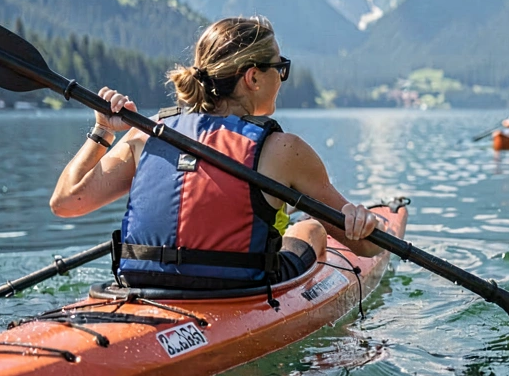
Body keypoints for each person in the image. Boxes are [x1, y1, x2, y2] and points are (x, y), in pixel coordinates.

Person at [50, 16, 384, 292]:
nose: (282, 78)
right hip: (236, 293)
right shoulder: (284, 151)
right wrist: (365, 222)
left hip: (141, 286)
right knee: (311, 229)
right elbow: (369, 248)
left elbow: (66, 202)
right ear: (253, 77)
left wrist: (103, 131)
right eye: (279, 68)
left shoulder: (147, 133)